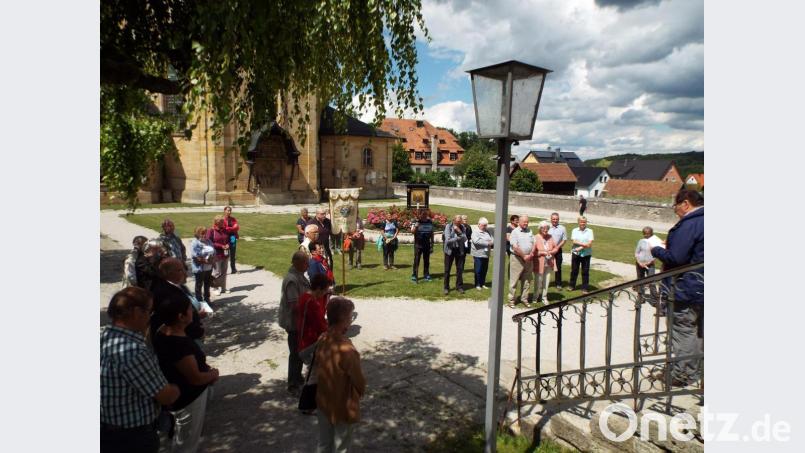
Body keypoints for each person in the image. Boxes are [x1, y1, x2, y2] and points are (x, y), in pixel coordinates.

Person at [101, 287, 180, 453]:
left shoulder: (103, 337)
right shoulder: (132, 351)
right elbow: (165, 396)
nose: (150, 317)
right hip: (132, 437)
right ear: (137, 312)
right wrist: (176, 388)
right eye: (149, 312)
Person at [153, 294, 219, 453]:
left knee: (182, 437)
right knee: (186, 443)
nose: (193, 312)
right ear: (181, 316)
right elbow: (195, 378)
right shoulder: (179, 344)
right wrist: (213, 374)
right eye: (190, 309)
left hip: (180, 394)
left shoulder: (162, 330)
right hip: (189, 399)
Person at [651, 189, 704, 387]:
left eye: (676, 207)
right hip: (700, 286)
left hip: (686, 288)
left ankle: (684, 374)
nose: (676, 211)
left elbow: (676, 258)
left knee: (683, 330)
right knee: (697, 330)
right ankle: (696, 369)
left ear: (686, 203)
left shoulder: (691, 223)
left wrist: (656, 250)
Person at [315, 296, 366, 453]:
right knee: (341, 446)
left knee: (324, 443)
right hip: (342, 405)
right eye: (350, 317)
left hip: (323, 400)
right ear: (343, 320)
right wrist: (360, 391)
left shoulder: (322, 338)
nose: (351, 321)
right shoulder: (347, 350)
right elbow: (358, 381)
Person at [150, 258, 206, 345]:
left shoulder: (179, 286)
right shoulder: (164, 293)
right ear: (168, 273)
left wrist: (197, 315)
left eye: (184, 269)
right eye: (180, 270)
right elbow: (174, 321)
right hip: (185, 340)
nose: (185, 273)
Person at [279, 251, 312, 394]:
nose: (308, 265)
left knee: (299, 351)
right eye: (306, 263)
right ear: (297, 263)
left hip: (300, 322)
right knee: (295, 353)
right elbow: (294, 305)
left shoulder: (299, 275)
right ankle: (293, 384)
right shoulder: (292, 280)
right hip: (294, 323)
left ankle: (297, 377)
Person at [297, 273, 330, 354]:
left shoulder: (304, 296)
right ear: (318, 288)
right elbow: (320, 326)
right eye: (325, 290)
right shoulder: (312, 303)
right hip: (310, 342)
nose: (325, 293)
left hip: (302, 339)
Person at [509, 215, 535, 305]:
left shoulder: (530, 231)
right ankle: (511, 300)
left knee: (527, 280)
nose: (526, 223)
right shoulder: (515, 232)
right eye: (524, 222)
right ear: (519, 222)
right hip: (517, 258)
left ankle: (524, 299)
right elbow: (515, 247)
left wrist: (531, 254)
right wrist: (524, 256)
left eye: (527, 222)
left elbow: (534, 243)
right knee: (514, 280)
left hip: (529, 259)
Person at [634, 226, 663, 302]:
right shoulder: (641, 241)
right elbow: (636, 253)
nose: (646, 235)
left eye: (648, 233)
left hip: (650, 265)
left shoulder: (654, 242)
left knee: (651, 281)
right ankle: (641, 297)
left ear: (651, 233)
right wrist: (639, 262)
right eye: (645, 233)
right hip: (640, 264)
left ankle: (654, 299)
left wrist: (649, 262)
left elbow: (656, 255)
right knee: (640, 281)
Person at [533, 221, 559, 305]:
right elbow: (533, 252)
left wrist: (551, 252)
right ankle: (535, 297)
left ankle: (544, 297)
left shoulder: (550, 237)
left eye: (547, 228)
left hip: (549, 262)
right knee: (538, 281)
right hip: (539, 263)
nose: (545, 230)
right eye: (544, 228)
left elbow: (556, 248)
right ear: (540, 229)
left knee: (546, 281)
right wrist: (542, 253)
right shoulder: (535, 237)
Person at [190, 226, 215, 305]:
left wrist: (212, 259)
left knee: (207, 284)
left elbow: (214, 252)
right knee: (199, 285)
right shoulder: (195, 242)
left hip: (208, 268)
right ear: (197, 234)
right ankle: (199, 301)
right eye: (202, 233)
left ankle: (207, 299)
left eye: (205, 233)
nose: (204, 235)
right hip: (199, 268)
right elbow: (195, 255)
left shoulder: (209, 241)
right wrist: (205, 260)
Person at [443, 215, 467, 295]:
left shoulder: (462, 227)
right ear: (454, 221)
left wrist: (459, 231)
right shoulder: (448, 227)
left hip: (459, 250)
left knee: (460, 269)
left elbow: (465, 239)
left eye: (460, 222)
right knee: (447, 269)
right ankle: (446, 287)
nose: (459, 223)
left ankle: (459, 286)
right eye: (457, 222)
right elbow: (448, 240)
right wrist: (458, 237)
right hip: (449, 250)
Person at [569, 216, 594, 293]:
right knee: (574, 270)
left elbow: (590, 244)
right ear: (578, 222)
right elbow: (574, 241)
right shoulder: (575, 230)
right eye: (581, 222)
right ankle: (571, 286)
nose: (583, 223)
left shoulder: (590, 231)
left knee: (585, 272)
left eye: (584, 222)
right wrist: (583, 245)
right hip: (576, 253)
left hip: (586, 254)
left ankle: (585, 288)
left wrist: (580, 247)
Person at [207, 215, 231, 295]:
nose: (223, 223)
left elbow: (229, 239)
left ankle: (223, 288)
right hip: (216, 255)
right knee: (217, 272)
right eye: (221, 221)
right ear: (216, 222)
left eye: (223, 221)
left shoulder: (225, 230)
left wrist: (228, 244)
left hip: (225, 254)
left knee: (224, 271)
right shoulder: (211, 231)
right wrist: (221, 246)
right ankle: (215, 288)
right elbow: (209, 242)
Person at [411, 210, 434, 283]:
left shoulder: (429, 222)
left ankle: (426, 274)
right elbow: (412, 232)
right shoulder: (416, 221)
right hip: (418, 244)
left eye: (425, 214)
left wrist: (432, 243)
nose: (424, 215)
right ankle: (414, 275)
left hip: (427, 244)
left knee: (426, 260)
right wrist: (416, 226)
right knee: (416, 260)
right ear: (420, 215)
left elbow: (432, 233)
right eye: (423, 214)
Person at [471, 217, 493, 290]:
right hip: (478, 254)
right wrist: (487, 243)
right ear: (479, 224)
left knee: (484, 269)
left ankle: (482, 283)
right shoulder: (475, 232)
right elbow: (476, 241)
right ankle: (477, 284)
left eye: (486, 225)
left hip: (486, 254)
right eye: (483, 225)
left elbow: (492, 239)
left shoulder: (487, 231)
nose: (485, 227)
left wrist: (491, 242)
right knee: (478, 270)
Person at [548, 213, 568, 290]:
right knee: (546, 267)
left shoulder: (562, 228)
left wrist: (557, 247)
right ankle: (544, 283)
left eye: (556, 219)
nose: (555, 220)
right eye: (553, 219)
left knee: (558, 267)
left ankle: (558, 283)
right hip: (548, 250)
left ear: (558, 219)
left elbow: (564, 240)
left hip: (558, 250)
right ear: (551, 219)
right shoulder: (547, 227)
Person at [223, 206, 240, 274]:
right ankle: (223, 270)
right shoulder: (222, 219)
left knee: (233, 254)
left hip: (232, 238)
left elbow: (237, 227)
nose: (229, 212)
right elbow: (224, 229)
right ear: (224, 211)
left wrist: (229, 228)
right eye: (228, 210)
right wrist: (232, 228)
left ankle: (233, 269)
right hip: (225, 238)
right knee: (225, 254)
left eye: (230, 210)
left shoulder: (233, 219)